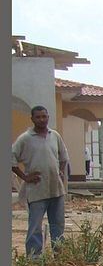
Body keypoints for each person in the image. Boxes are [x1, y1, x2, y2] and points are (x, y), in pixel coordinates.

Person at [11, 106, 69, 257]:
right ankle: (34, 257)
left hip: (56, 188)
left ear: (48, 117)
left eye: (44, 116)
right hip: (37, 189)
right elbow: (11, 159)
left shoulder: (54, 135)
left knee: (58, 225)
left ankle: (60, 255)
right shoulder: (25, 138)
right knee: (35, 226)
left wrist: (61, 171)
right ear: (32, 119)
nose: (42, 120)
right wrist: (24, 177)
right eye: (38, 117)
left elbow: (64, 157)